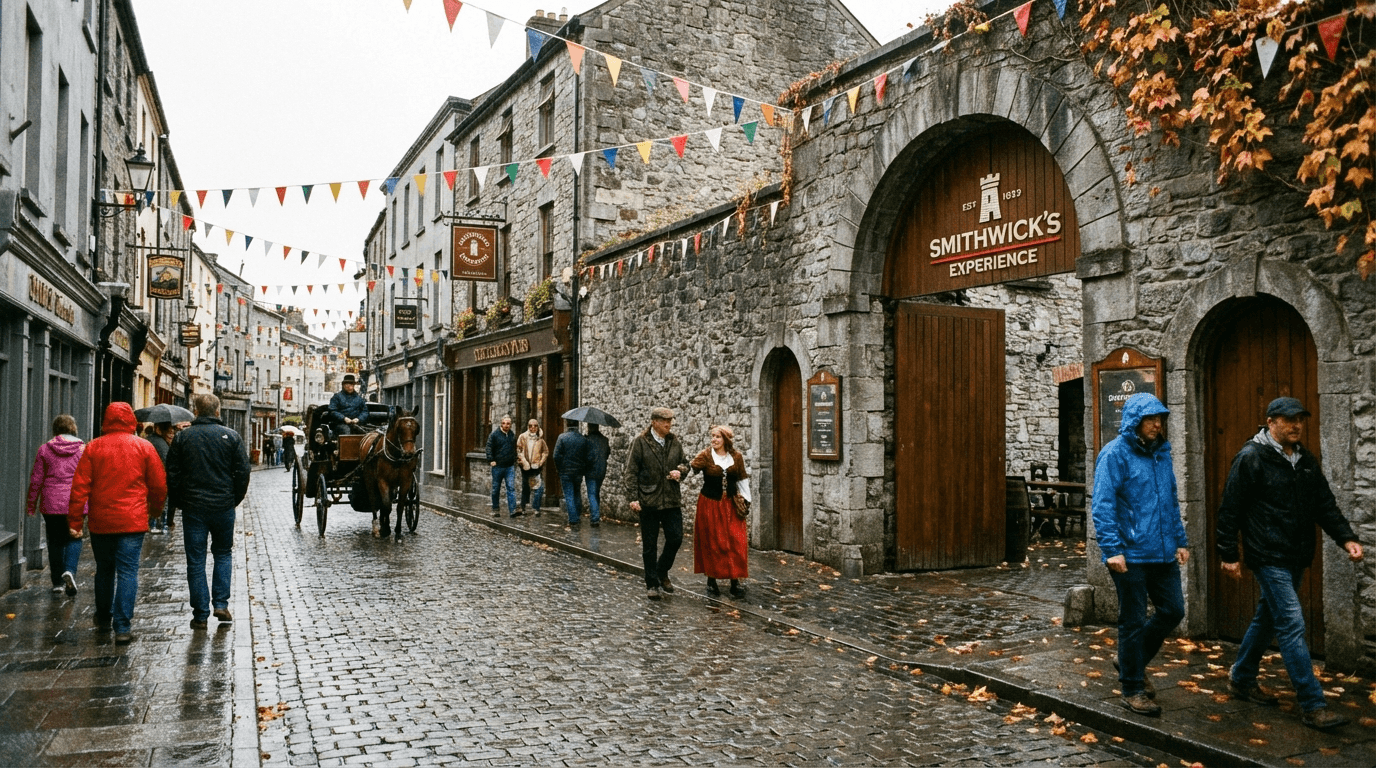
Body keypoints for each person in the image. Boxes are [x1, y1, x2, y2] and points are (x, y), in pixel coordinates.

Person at [1217, 397, 1363, 731]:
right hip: (1267, 555)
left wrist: (1346, 538)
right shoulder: (1251, 458)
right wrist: (1228, 554)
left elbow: (1324, 504)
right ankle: (1312, 705)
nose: (1296, 425)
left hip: (1296, 554)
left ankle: (1241, 677)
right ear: (1271, 422)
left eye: (1300, 419)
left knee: (1268, 617)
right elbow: (1230, 508)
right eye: (1288, 419)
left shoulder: (1304, 460)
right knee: (1292, 622)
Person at [1090, 393, 1188, 717]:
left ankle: (1128, 658)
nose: (1157, 425)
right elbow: (1102, 505)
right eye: (1150, 419)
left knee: (1173, 610)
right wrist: (1112, 550)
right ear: (1134, 421)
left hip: (1161, 553)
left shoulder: (1162, 454)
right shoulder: (1114, 455)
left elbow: (1171, 501)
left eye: (1160, 419)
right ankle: (1132, 689)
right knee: (1132, 621)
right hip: (1129, 556)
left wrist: (1180, 541)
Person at [67, 402, 167, 645]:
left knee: (104, 569)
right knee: (128, 572)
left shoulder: (93, 448)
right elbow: (159, 485)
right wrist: (154, 511)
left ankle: (103, 615)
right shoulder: (144, 447)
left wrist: (75, 521)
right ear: (131, 421)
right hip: (132, 522)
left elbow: (79, 488)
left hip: (102, 521)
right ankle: (122, 627)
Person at [165, 393, 251, 631]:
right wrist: (234, 499)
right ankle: (221, 603)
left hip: (194, 508)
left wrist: (180, 500)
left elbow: (171, 474)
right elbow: (243, 472)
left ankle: (200, 614)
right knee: (223, 553)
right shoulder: (231, 437)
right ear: (217, 411)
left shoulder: (183, 438)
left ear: (195, 411)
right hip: (223, 506)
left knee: (196, 560)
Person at [625, 407, 688, 600]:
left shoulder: (674, 442)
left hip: (670, 499)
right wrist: (633, 498)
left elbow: (685, 463)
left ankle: (662, 571)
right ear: (654, 422)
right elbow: (631, 472)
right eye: (664, 421)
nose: (668, 424)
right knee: (649, 545)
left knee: (676, 538)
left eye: (670, 421)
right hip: (649, 500)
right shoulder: (641, 442)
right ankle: (651, 583)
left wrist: (681, 471)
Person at [26, 415, 86, 596]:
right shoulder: (83, 449)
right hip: (75, 502)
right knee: (74, 537)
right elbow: (87, 478)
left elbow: (36, 480)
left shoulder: (45, 449)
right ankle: (70, 570)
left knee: (55, 541)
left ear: (55, 430)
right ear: (73, 429)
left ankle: (57, 583)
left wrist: (31, 505)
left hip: (51, 503)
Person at [690, 425, 750, 598]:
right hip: (710, 504)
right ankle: (711, 581)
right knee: (713, 542)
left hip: (730, 504)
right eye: (712, 436)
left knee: (735, 541)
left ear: (726, 440)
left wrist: (746, 500)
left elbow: (742, 478)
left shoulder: (736, 457)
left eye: (718, 437)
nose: (714, 440)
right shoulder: (706, 455)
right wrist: (679, 471)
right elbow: (690, 468)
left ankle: (734, 581)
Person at [553, 421, 594, 527]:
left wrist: (560, 468)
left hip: (565, 471)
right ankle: (577, 516)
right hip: (578, 472)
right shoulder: (583, 439)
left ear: (567, 424)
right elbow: (588, 457)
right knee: (577, 493)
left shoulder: (562, 437)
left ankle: (573, 519)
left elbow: (556, 456)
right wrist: (583, 467)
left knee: (569, 495)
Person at [145, 421, 179, 534]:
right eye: (169, 430)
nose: (172, 433)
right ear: (159, 430)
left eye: (173, 430)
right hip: (158, 484)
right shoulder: (161, 445)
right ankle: (160, 527)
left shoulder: (151, 440)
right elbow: (168, 466)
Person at [486, 415, 519, 518]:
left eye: (508, 424)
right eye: (504, 423)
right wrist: (491, 460)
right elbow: (489, 447)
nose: (506, 425)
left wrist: (515, 459)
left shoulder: (512, 435)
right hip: (498, 466)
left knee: (511, 488)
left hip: (509, 466)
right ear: (501, 423)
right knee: (496, 488)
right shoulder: (494, 435)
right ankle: (495, 509)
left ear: (511, 425)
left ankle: (512, 510)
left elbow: (514, 448)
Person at [516, 419, 548, 516]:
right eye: (530, 426)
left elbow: (545, 452)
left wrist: (540, 462)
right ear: (528, 427)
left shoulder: (540, 439)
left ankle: (536, 508)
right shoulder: (522, 437)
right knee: (526, 487)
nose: (533, 428)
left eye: (535, 426)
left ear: (538, 427)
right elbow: (519, 451)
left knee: (538, 488)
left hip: (535, 467)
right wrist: (524, 462)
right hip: (525, 467)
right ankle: (523, 507)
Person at [586, 423, 610, 523]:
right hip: (602, 469)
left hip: (591, 469)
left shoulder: (587, 440)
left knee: (591, 493)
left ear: (589, 428)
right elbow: (607, 453)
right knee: (596, 492)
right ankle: (596, 513)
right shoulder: (604, 440)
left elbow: (587, 455)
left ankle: (595, 518)